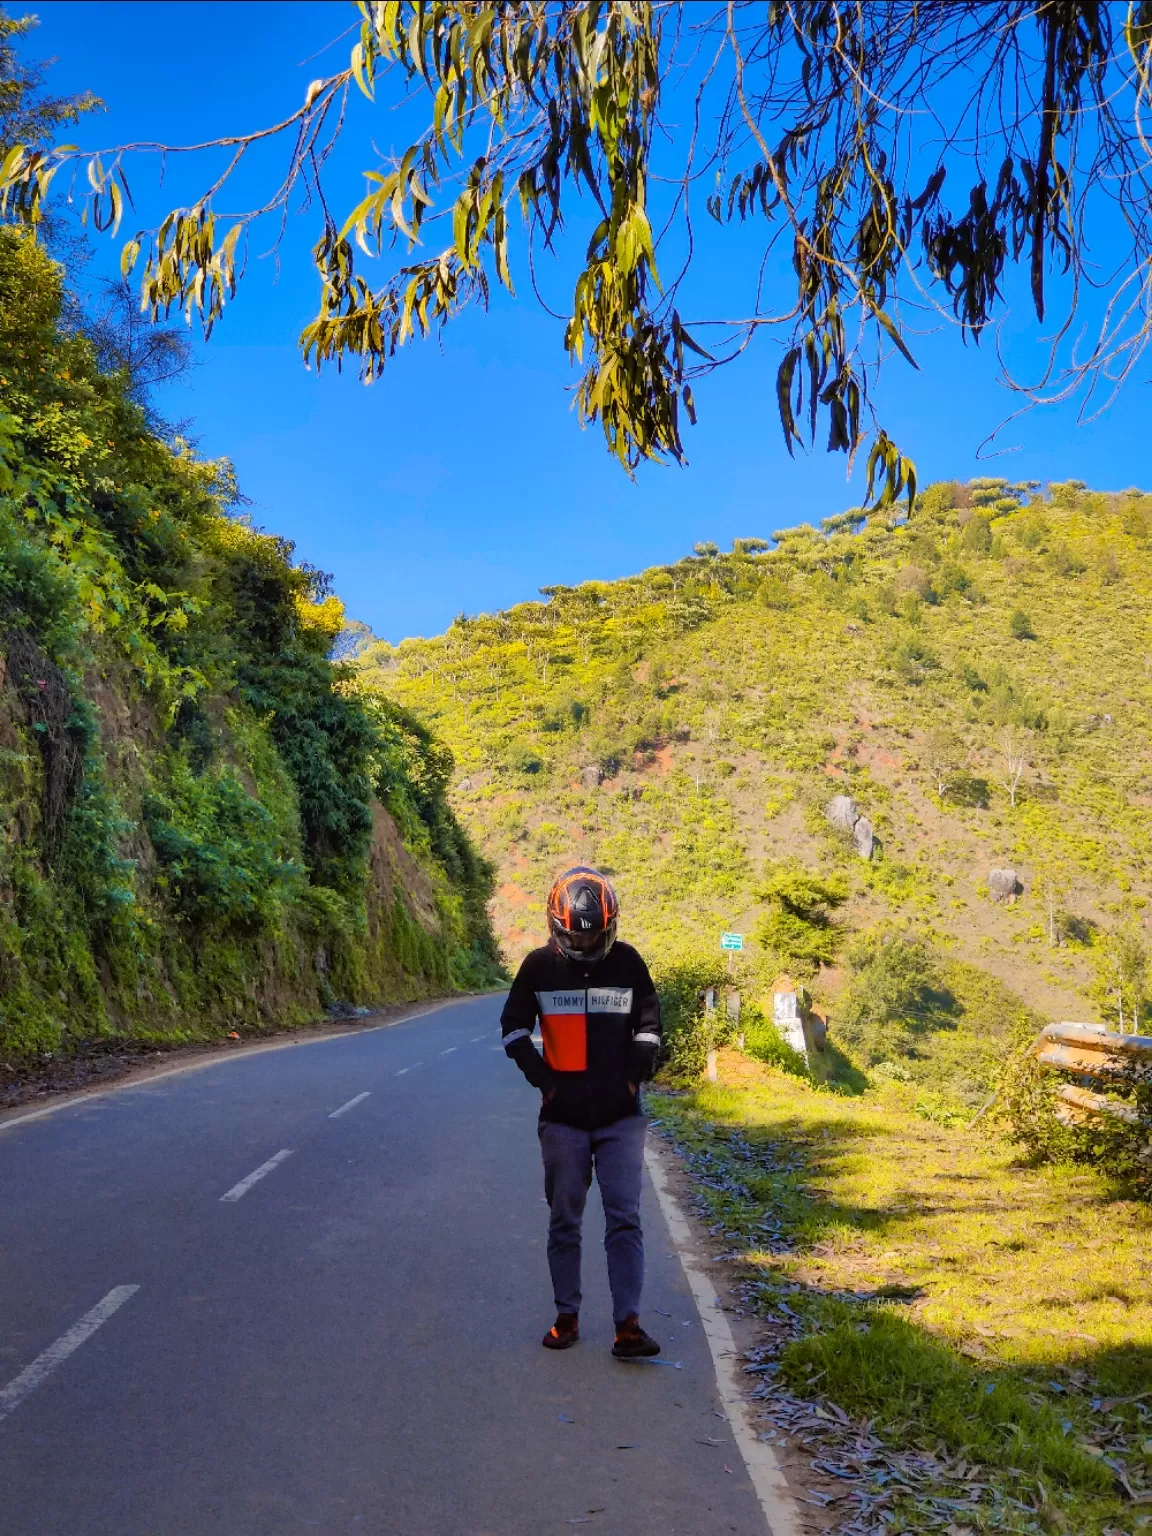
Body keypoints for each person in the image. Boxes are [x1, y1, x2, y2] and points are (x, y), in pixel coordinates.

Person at [501, 866, 664, 1359]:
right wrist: (545, 1082)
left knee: (625, 1219)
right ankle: (566, 1318)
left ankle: (628, 1327)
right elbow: (512, 1029)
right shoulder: (537, 968)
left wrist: (633, 1077)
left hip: (620, 1119)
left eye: (596, 938)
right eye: (577, 937)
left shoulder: (630, 964)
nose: (587, 946)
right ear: (556, 926)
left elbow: (650, 1027)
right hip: (563, 1123)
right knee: (564, 1220)